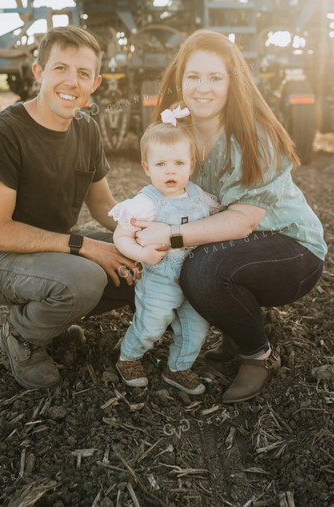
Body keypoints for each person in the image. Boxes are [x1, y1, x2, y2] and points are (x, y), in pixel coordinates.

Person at [134, 30, 327, 403]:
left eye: (215, 77)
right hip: (236, 246)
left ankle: (259, 355)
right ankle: (234, 324)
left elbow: (243, 223)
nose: (202, 87)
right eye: (193, 77)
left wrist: (170, 236)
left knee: (202, 269)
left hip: (290, 249)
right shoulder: (177, 134)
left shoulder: (254, 134)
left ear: (232, 83)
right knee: (165, 262)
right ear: (179, 81)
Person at [0, 26, 139, 390]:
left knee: (138, 264)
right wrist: (86, 247)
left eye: (83, 73)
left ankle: (52, 321)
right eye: (60, 68)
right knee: (86, 277)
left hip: (54, 249)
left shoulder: (86, 129)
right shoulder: (0, 132)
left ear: (96, 83)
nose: (71, 82)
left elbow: (104, 204)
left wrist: (144, 232)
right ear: (38, 72)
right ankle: (22, 336)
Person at [108, 108, 221, 395]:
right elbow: (121, 236)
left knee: (196, 327)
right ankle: (128, 358)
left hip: (195, 275)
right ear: (147, 167)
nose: (170, 170)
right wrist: (141, 254)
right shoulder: (146, 203)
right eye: (161, 164)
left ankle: (178, 368)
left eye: (178, 162)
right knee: (151, 323)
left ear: (191, 165)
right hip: (160, 275)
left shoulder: (201, 198)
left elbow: (220, 222)